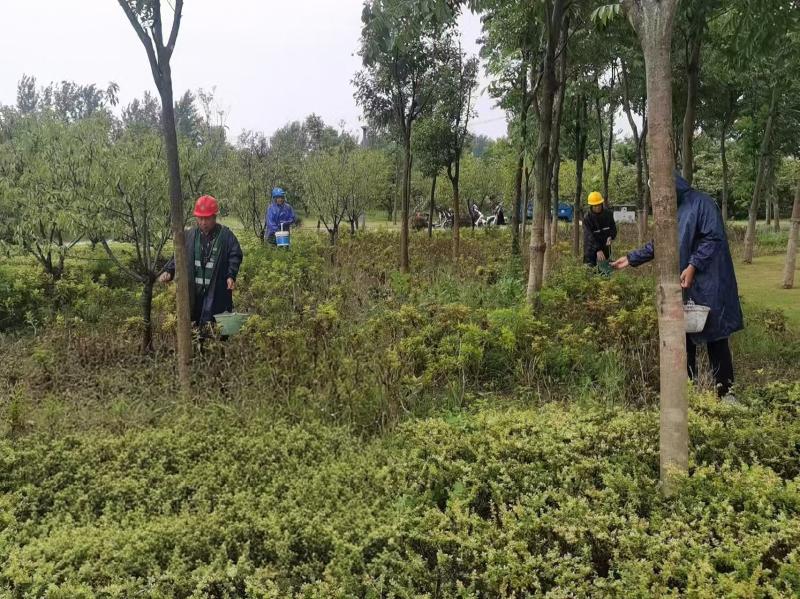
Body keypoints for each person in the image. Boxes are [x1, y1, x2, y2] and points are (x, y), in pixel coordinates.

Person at [612, 173, 744, 400]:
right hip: (687, 284)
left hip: (710, 282)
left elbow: (713, 239)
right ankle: (687, 393)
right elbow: (662, 243)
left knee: (716, 338)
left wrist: (693, 265)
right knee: (684, 339)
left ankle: (726, 394)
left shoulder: (702, 203)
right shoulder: (672, 211)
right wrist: (631, 258)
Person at [159, 195, 243, 328]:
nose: (203, 222)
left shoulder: (226, 236)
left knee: (217, 327)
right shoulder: (189, 235)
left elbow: (235, 255)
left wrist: (231, 275)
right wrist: (169, 271)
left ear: (214, 217)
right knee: (195, 326)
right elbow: (178, 256)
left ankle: (216, 340)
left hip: (217, 291)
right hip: (194, 292)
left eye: (207, 218)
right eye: (200, 218)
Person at [583, 191, 617, 267]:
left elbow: (613, 228)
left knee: (605, 269)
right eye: (595, 206)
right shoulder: (587, 218)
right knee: (590, 270)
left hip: (605, 248)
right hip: (591, 249)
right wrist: (597, 249)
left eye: (599, 205)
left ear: (602, 203)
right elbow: (589, 237)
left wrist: (611, 237)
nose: (597, 207)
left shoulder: (608, 214)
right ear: (591, 206)